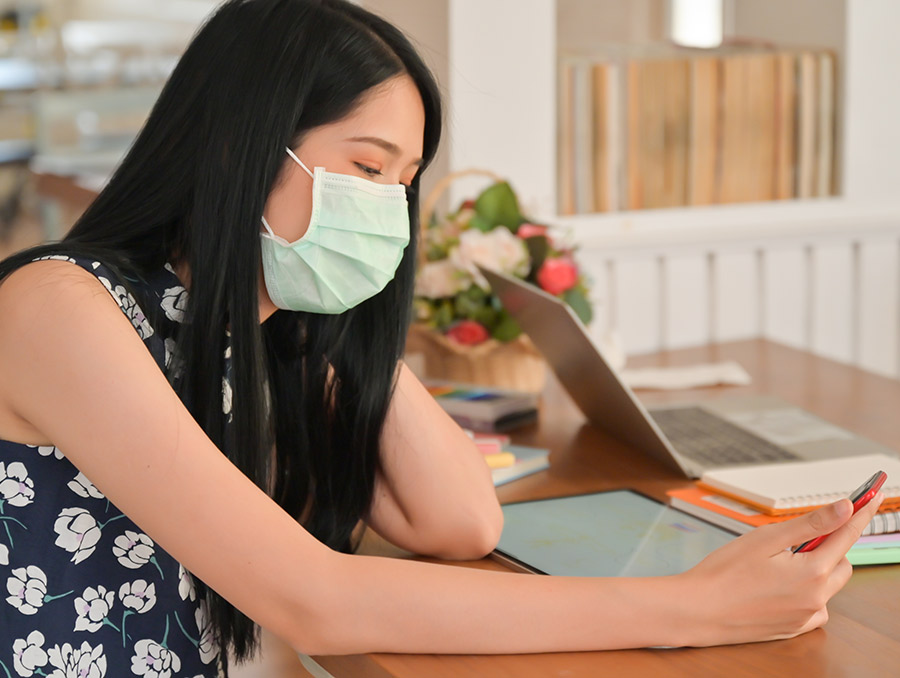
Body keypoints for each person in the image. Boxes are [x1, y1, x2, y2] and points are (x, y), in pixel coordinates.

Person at [0, 0, 882, 674]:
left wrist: (339, 303)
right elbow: (317, 601)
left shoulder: (259, 331)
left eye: (405, 181)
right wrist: (694, 609)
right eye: (366, 168)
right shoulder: (60, 309)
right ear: (241, 150)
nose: (387, 208)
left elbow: (457, 519)